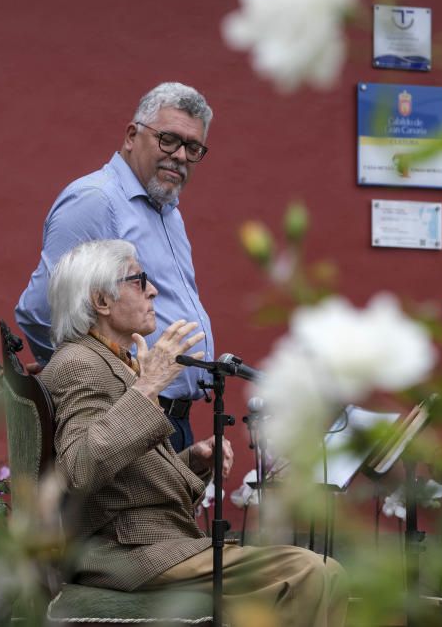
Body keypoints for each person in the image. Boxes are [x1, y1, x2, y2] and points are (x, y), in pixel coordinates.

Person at [40, 239, 349, 627]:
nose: (153, 290)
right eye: (140, 281)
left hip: (152, 544)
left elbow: (120, 469)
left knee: (315, 574)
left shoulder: (108, 360)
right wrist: (147, 386)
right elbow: (79, 468)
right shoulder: (81, 364)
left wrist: (193, 460)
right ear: (101, 301)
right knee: (309, 571)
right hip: (128, 551)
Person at [16, 82, 214, 452]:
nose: (181, 156)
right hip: (125, 413)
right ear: (131, 135)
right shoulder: (97, 200)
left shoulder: (167, 210)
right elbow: (41, 309)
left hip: (168, 414)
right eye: (168, 139)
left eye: (193, 147)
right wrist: (83, 381)